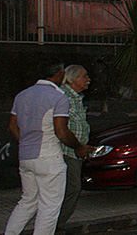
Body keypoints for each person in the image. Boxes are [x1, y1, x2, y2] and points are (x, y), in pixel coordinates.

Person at [4, 62, 88, 235]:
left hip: (26, 156)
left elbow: (12, 127)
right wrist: (79, 147)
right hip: (49, 157)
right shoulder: (58, 96)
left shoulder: (22, 95)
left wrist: (28, 142)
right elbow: (62, 132)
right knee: (49, 206)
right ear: (59, 75)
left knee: (27, 201)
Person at [55, 65, 91, 231]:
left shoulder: (75, 97)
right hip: (67, 151)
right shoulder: (64, 97)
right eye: (84, 76)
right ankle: (55, 226)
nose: (88, 80)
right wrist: (78, 146)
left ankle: (55, 225)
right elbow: (63, 128)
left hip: (75, 151)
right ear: (73, 79)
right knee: (71, 189)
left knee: (70, 190)